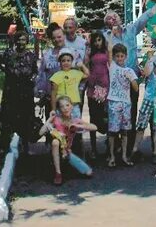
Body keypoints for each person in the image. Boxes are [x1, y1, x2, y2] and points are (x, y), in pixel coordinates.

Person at [103, 0, 156, 137]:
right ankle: (113, 144)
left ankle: (130, 146)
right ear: (107, 24)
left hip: (132, 79)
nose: (113, 19)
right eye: (109, 19)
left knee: (131, 111)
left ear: (120, 19)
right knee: (114, 111)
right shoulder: (105, 37)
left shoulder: (131, 29)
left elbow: (145, 17)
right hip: (115, 82)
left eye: (115, 17)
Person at [0, 31, 38, 151]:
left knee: (26, 117)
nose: (21, 42)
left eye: (23, 40)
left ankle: (26, 144)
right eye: (19, 39)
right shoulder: (9, 53)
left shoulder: (31, 56)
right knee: (9, 116)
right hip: (11, 90)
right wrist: (4, 69)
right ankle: (4, 145)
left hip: (26, 90)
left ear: (27, 41)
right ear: (15, 41)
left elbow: (35, 70)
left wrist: (32, 78)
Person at [41, 96, 97, 186]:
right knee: (55, 142)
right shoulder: (56, 120)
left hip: (67, 152)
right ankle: (58, 173)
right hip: (57, 152)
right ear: (59, 109)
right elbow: (41, 132)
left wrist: (79, 126)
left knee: (89, 173)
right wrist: (49, 120)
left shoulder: (75, 121)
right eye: (62, 106)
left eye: (67, 105)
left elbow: (94, 127)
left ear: (72, 106)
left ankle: (67, 165)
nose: (65, 108)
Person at [106, 42, 138, 167]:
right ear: (114, 57)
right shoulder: (112, 67)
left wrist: (131, 79)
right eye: (117, 56)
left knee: (124, 131)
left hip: (125, 103)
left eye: (122, 56)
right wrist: (111, 31)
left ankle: (124, 155)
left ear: (126, 56)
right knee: (112, 131)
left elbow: (135, 88)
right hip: (114, 102)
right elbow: (109, 50)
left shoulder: (129, 70)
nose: (119, 58)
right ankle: (112, 156)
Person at [86, 30, 110, 160]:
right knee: (93, 117)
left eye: (99, 40)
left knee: (106, 117)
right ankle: (93, 148)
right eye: (95, 40)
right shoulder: (90, 53)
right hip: (93, 87)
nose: (97, 42)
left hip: (105, 87)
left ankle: (109, 147)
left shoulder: (107, 52)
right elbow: (86, 66)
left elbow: (110, 67)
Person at [49, 49, 88, 117]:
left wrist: (82, 65)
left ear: (72, 62)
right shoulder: (56, 76)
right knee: (62, 127)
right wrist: (53, 109)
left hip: (74, 107)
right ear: (59, 62)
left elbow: (87, 74)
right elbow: (53, 94)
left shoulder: (75, 73)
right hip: (61, 107)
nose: (66, 63)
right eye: (63, 61)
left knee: (76, 126)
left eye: (68, 60)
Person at [35, 23, 67, 102]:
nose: (56, 40)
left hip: (68, 98)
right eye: (53, 38)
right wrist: (40, 91)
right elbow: (42, 75)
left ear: (64, 36)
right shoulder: (47, 55)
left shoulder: (73, 53)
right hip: (50, 97)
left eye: (59, 37)